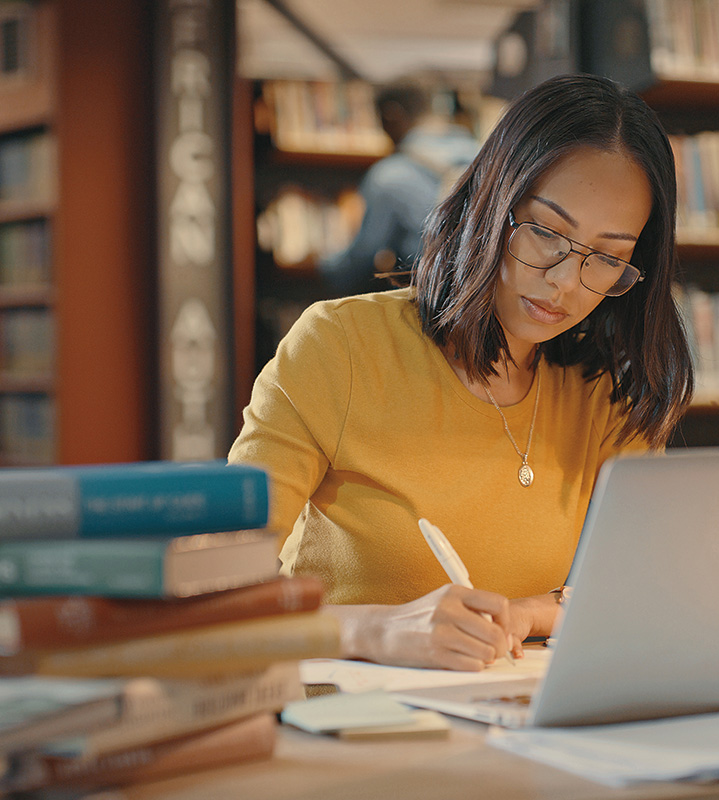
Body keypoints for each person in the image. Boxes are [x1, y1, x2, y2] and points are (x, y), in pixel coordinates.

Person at [228, 73, 693, 671]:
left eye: (607, 258)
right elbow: (218, 590)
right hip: (344, 722)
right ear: (491, 201)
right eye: (548, 233)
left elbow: (637, 592)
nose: (566, 283)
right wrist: (376, 629)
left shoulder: (607, 394)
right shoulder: (341, 346)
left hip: (511, 722)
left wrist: (527, 614)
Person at [319, 83, 479, 296]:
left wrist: (325, 266)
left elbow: (360, 261)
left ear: (391, 115)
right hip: (484, 300)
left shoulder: (389, 176)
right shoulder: (486, 155)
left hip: (431, 303)